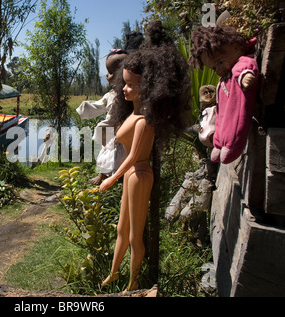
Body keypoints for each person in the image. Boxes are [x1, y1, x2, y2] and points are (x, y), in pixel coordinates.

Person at [99, 21, 191, 291]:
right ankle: (115, 272)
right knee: (121, 229)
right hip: (131, 174)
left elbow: (135, 156)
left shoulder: (144, 122)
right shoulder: (133, 115)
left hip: (139, 174)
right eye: (124, 83)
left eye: (130, 85)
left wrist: (111, 178)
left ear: (148, 87)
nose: (124, 89)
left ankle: (133, 281)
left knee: (134, 234)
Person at [189, 25, 259, 164]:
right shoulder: (224, 79)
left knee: (233, 122)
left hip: (237, 116)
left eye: (220, 62)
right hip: (224, 114)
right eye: (214, 68)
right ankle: (219, 143)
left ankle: (229, 145)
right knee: (221, 119)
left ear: (235, 47)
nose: (218, 69)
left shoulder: (238, 65)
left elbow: (246, 66)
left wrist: (245, 76)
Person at [76, 49, 128, 185]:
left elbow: (114, 114)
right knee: (109, 154)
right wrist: (85, 107)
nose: (107, 75)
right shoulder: (112, 94)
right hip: (112, 131)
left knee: (116, 154)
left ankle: (113, 178)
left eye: (110, 72)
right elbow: (100, 106)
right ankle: (105, 176)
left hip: (120, 131)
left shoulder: (125, 95)